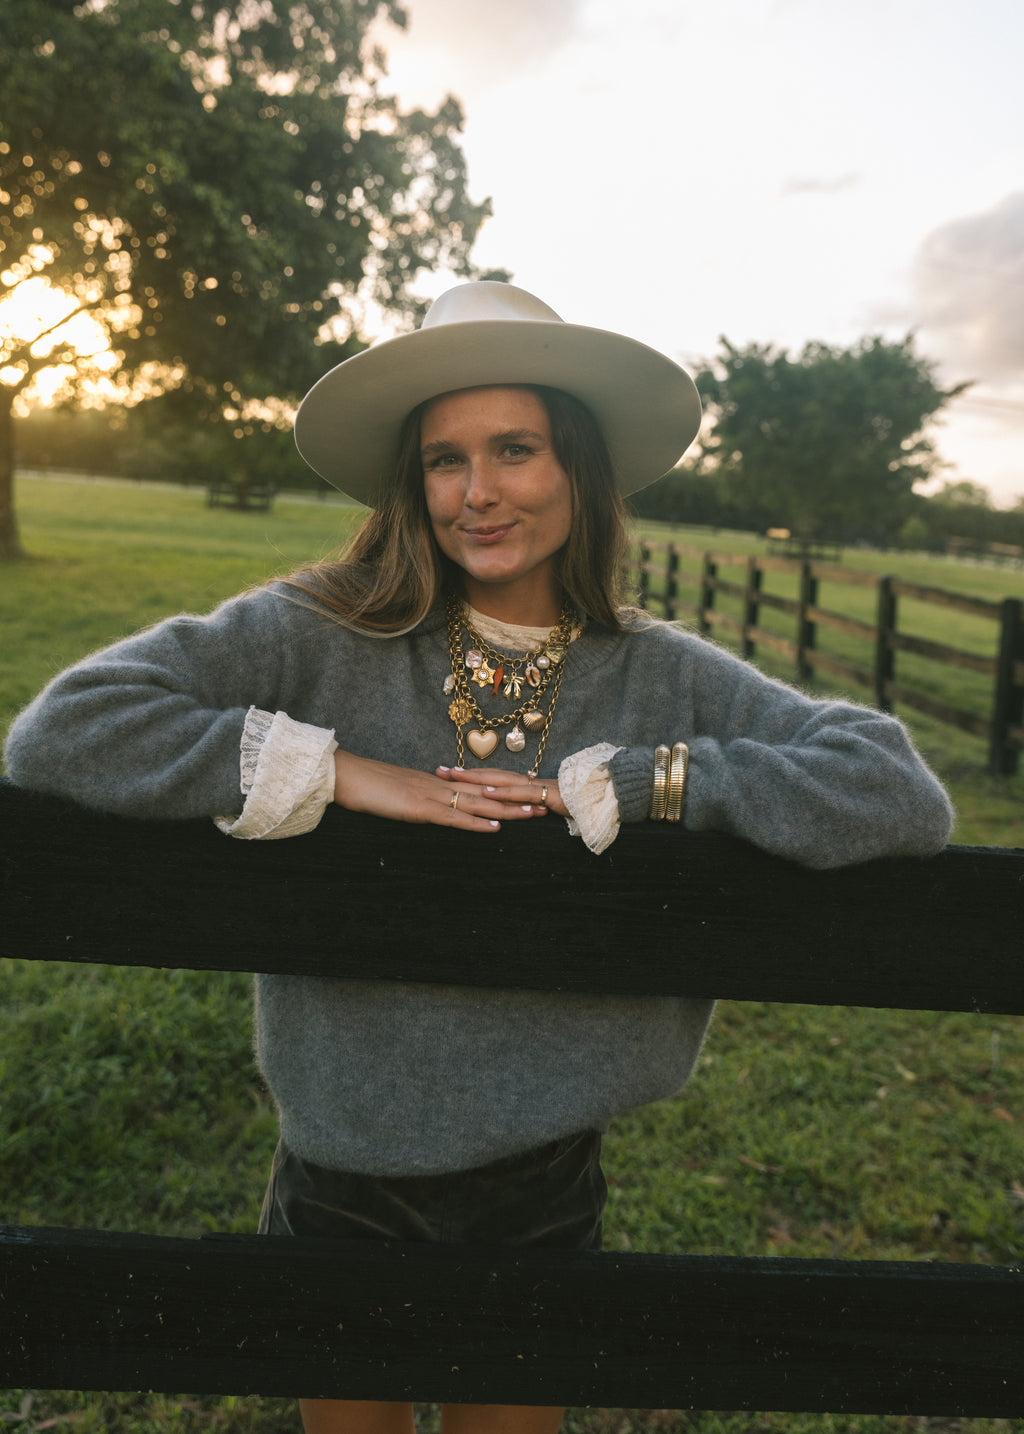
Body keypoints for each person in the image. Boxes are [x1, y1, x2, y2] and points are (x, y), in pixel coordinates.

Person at [4, 281, 954, 1434]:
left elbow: (891, 787)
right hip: (341, 1159)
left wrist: (668, 780)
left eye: (516, 449)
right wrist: (339, 769)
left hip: (539, 1172)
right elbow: (68, 727)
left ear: (579, 469)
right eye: (445, 459)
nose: (478, 492)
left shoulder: (660, 670)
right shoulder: (321, 629)